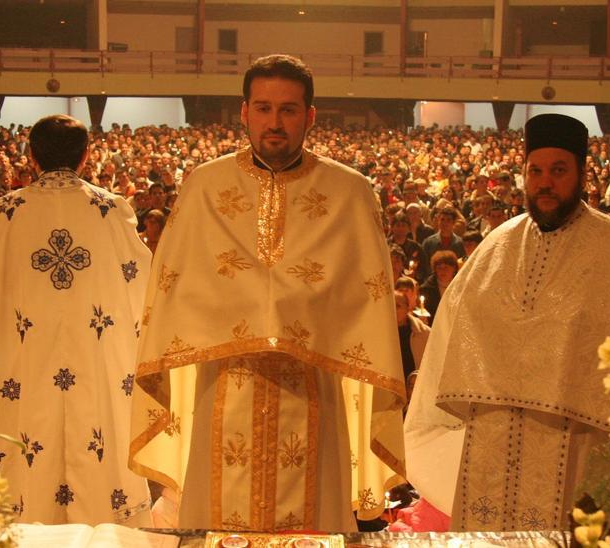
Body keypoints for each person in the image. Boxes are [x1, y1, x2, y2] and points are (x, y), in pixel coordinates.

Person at [129, 54, 406, 533]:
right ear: (244, 112)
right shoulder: (204, 188)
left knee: (312, 526)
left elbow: (369, 304)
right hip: (225, 384)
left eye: (288, 110)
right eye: (263, 109)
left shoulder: (349, 193)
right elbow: (173, 288)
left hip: (313, 386)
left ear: (310, 116)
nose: (274, 123)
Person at [403, 113, 610, 531]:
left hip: (576, 444)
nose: (545, 183)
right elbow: (454, 331)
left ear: (582, 174)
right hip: (489, 443)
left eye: (558, 171)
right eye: (535, 171)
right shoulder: (497, 245)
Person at [0, 114, 153, 526]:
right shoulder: (110, 209)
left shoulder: (3, 213)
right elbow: (143, 286)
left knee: (24, 457)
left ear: (31, 156)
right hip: (97, 360)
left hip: (22, 363)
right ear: (86, 156)